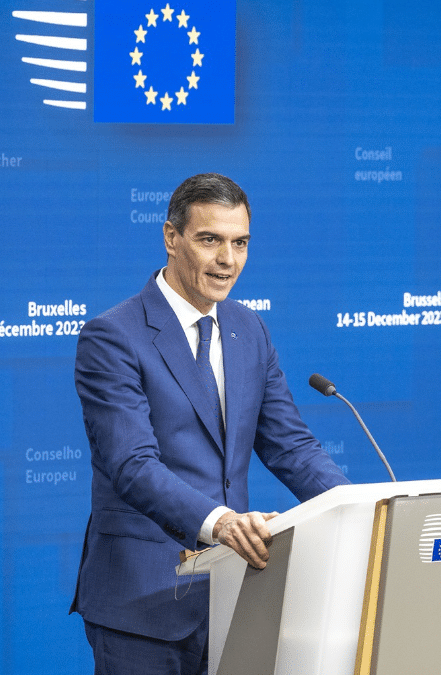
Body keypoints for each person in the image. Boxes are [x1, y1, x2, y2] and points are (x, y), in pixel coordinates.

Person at [70, 173, 351, 675]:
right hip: (142, 604)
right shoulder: (112, 337)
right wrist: (219, 523)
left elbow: (290, 447)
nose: (228, 260)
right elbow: (131, 465)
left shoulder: (249, 328)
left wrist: (354, 507)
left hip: (232, 595)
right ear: (170, 238)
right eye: (210, 240)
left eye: (240, 243)